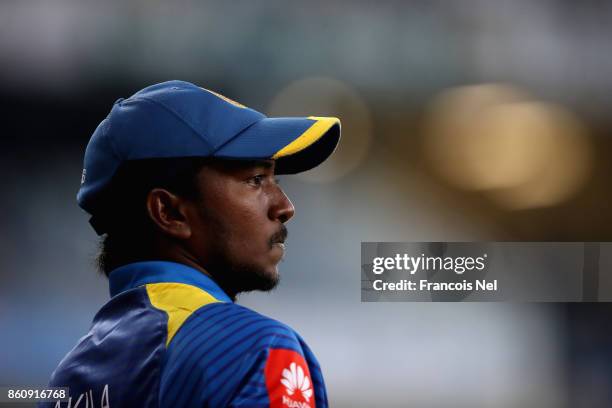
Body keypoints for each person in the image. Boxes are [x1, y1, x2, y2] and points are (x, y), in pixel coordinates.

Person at [42, 80, 341, 408]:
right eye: (256, 180)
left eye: (275, 180)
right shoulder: (254, 349)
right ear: (169, 212)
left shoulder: (68, 379)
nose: (285, 207)